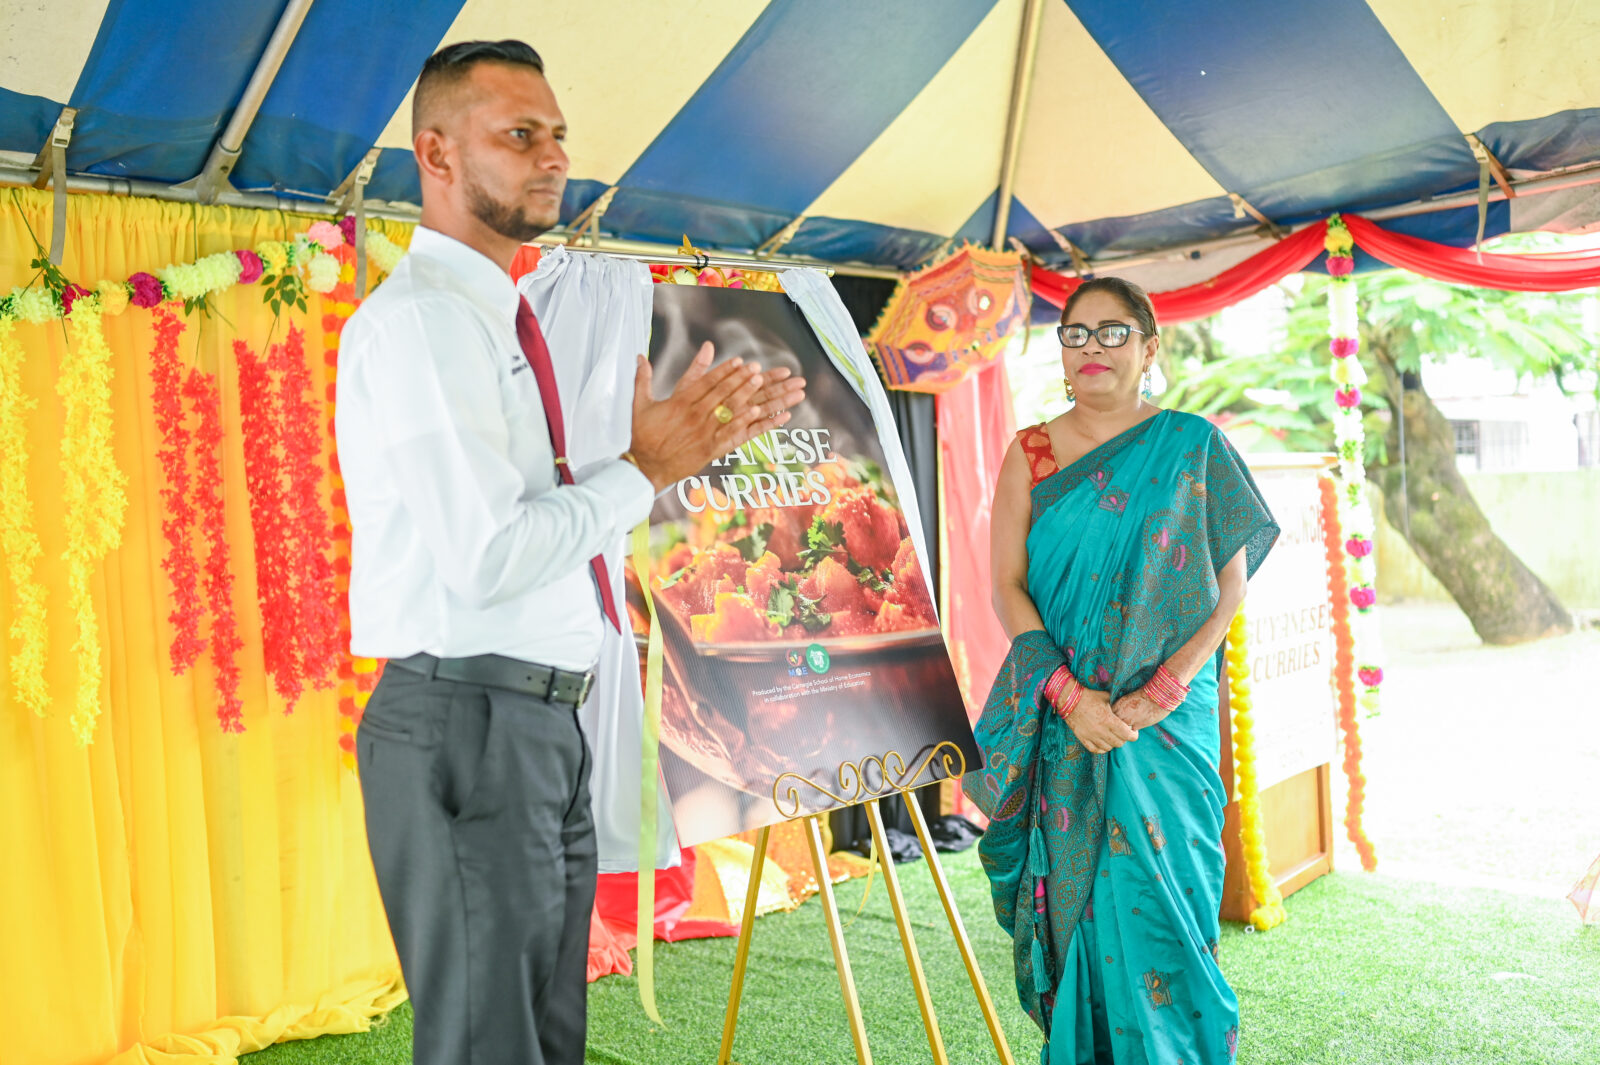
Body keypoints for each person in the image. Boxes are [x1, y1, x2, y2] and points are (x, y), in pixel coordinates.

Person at [335, 40, 805, 1065]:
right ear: (436, 155)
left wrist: (653, 459)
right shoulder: (427, 323)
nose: (553, 158)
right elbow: (488, 558)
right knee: (488, 1043)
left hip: (536, 720)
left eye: (556, 135)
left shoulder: (493, 316)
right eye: (520, 135)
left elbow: (532, 520)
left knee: (547, 1038)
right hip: (469, 717)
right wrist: (642, 468)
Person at [972, 277, 1278, 1064]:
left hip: (1165, 726)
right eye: (1076, 333)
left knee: (1170, 901)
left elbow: (1231, 585)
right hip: (1064, 718)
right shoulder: (1031, 454)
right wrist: (1070, 696)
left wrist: (1162, 691)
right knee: (1076, 916)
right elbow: (1006, 586)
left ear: (1149, 348)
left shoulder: (1192, 445)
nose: (1093, 348)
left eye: (1113, 332)